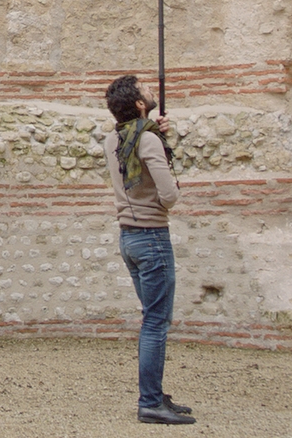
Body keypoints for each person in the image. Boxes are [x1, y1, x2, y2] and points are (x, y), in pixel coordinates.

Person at [103, 74, 194, 425]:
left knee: (151, 320)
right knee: (156, 323)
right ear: (140, 104)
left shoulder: (113, 138)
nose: (151, 90)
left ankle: (154, 394)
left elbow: (133, 141)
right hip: (153, 237)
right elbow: (169, 195)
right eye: (145, 89)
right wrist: (158, 141)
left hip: (128, 237)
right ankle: (151, 402)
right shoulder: (148, 140)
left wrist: (153, 131)